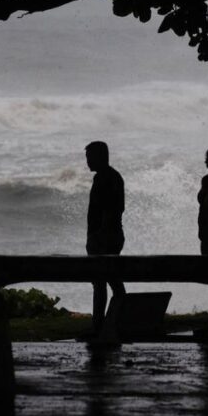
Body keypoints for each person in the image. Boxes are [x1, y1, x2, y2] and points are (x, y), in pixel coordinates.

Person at [85, 141, 126, 334]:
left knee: (101, 282)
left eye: (90, 157)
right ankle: (113, 320)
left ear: (99, 157)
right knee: (110, 280)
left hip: (104, 237)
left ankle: (100, 325)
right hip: (113, 235)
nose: (87, 161)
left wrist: (99, 235)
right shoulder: (114, 176)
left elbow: (109, 209)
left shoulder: (104, 178)